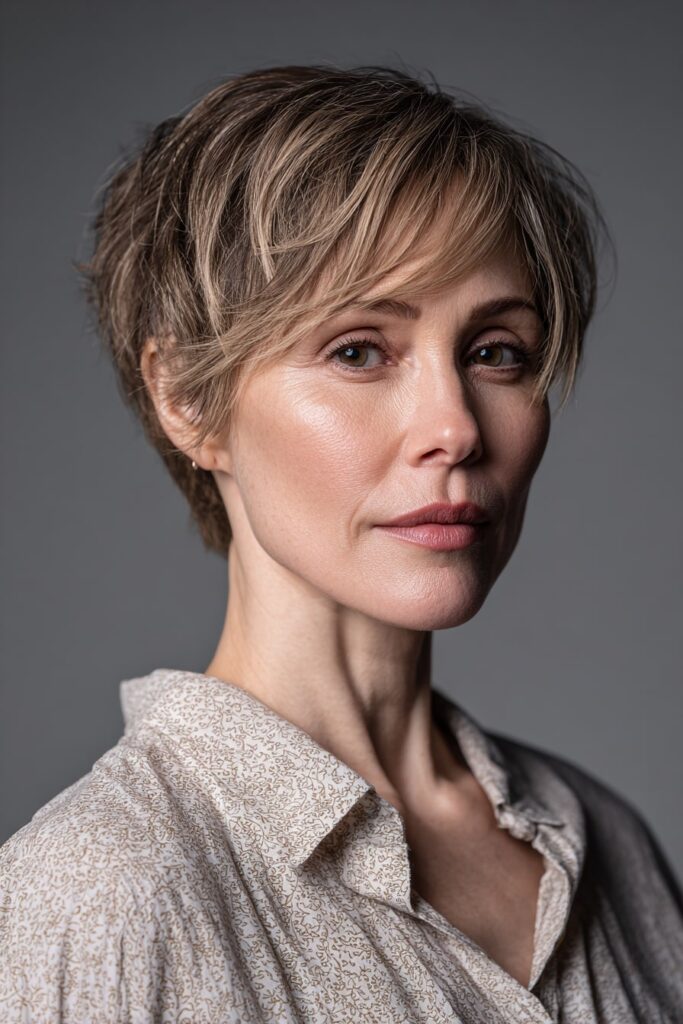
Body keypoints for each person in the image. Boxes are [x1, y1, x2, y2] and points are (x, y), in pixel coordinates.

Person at [0, 63, 681, 1024]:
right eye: (358, 350)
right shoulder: (100, 889)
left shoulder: (604, 839)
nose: (455, 428)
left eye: (495, 353)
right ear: (186, 397)